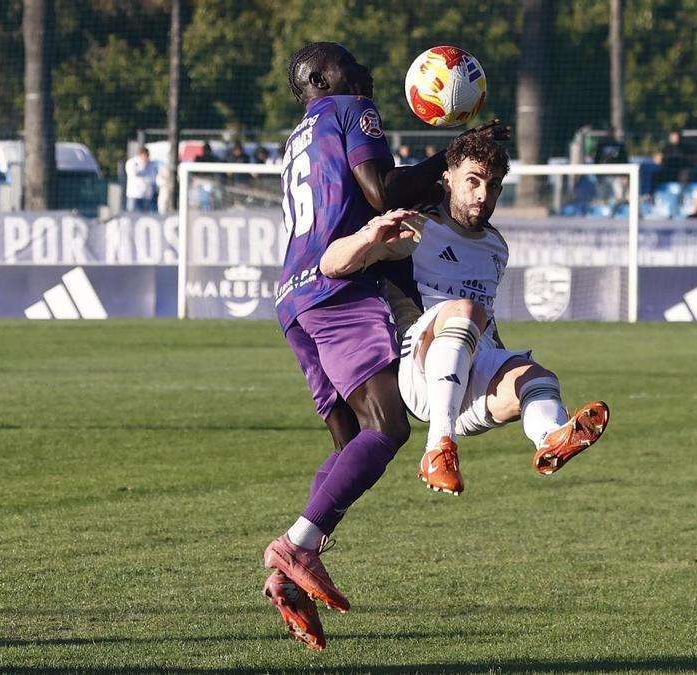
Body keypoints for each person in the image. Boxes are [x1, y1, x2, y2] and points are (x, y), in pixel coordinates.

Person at [262, 41, 490, 651]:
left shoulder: (297, 139)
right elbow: (382, 188)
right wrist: (453, 157)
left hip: (292, 296)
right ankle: (294, 549)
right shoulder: (348, 108)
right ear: (315, 78)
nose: (362, 72)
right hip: (339, 286)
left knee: (350, 442)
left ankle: (290, 571)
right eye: (346, 64)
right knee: (389, 427)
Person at [319, 125, 610, 498]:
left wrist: (504, 364)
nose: (481, 195)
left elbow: (487, 318)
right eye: (472, 181)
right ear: (447, 179)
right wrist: (369, 236)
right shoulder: (415, 227)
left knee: (538, 378)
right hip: (421, 373)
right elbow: (330, 264)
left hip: (469, 376)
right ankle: (437, 448)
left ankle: (550, 437)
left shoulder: (495, 247)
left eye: (492, 186)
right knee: (465, 310)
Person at [124, 146, 158, 213]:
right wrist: (143, 165)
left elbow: (153, 177)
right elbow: (134, 173)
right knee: (132, 215)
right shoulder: (132, 162)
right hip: (134, 195)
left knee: (144, 217)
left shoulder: (151, 164)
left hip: (146, 195)